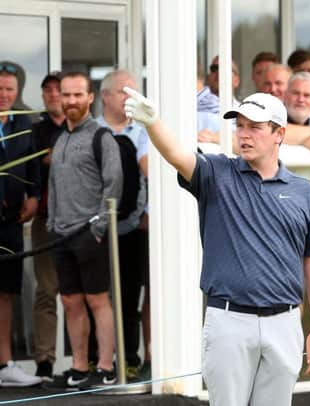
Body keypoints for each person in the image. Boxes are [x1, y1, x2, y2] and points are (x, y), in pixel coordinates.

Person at [123, 89, 310, 405]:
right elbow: (177, 154)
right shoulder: (216, 173)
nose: (244, 135)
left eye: (255, 127)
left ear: (279, 134)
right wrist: (153, 123)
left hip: (286, 322)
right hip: (229, 321)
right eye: (240, 126)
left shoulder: (305, 192)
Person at [47, 71, 122, 389]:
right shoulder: (60, 138)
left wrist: (99, 227)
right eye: (66, 95)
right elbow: (53, 185)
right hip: (61, 235)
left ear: (90, 98)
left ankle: (106, 367)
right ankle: (79, 367)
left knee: (97, 301)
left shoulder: (101, 137)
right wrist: (52, 224)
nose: (71, 101)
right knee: (71, 303)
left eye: (78, 95)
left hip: (90, 234)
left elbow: (114, 183)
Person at [97, 69, 150, 379]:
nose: (130, 98)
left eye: (134, 92)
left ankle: (129, 359)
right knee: (96, 297)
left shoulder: (143, 132)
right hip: (96, 232)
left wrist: (150, 214)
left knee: (130, 297)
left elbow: (151, 176)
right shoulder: (91, 132)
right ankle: (96, 363)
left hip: (133, 228)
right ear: (105, 96)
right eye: (123, 92)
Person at [0, 62, 42, 387]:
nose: (4, 95)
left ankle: (5, 365)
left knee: (7, 292)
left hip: (11, 221)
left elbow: (31, 163)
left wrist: (33, 195)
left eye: (9, 90)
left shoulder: (22, 121)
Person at [31, 71, 65, 381]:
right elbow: (34, 169)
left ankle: (90, 361)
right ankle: (44, 360)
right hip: (44, 219)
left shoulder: (83, 128)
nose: (54, 95)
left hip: (80, 222)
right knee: (46, 290)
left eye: (59, 89)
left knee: (83, 293)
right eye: (49, 91)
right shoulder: (35, 132)